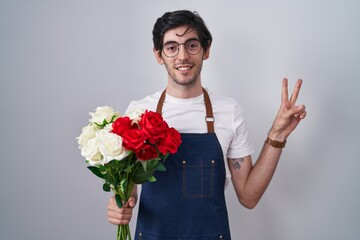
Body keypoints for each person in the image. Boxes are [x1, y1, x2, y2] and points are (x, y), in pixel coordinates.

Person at [107, 10, 307, 240]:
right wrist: (120, 204)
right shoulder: (138, 112)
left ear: (206, 50)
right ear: (158, 55)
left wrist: (277, 135)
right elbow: (128, 189)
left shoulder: (229, 112)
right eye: (172, 47)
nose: (182, 56)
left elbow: (249, 197)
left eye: (191, 45)